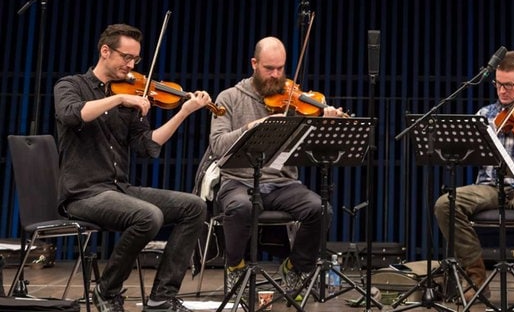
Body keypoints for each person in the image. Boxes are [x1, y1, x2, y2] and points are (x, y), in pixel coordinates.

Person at [54, 24, 212, 312]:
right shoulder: (70, 85)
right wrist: (118, 99)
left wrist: (184, 113)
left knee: (195, 207)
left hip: (118, 189)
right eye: (126, 58)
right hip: (83, 193)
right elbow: (72, 114)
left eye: (136, 60)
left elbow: (146, 145)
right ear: (105, 51)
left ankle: (161, 297)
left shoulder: (131, 94)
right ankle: (106, 290)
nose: (130, 66)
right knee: (148, 216)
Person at [196, 36, 345, 293]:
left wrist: (326, 124)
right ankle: (235, 266)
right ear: (254, 64)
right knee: (240, 207)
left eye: (280, 68)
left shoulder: (294, 101)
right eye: (269, 69)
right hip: (238, 180)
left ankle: (295, 267)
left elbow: (309, 152)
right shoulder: (229, 98)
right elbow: (218, 145)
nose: (276, 75)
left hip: (281, 182)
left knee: (320, 209)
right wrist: (251, 128)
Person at [433, 50, 514, 305]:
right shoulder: (487, 114)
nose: (502, 91)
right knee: (445, 204)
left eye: (509, 85)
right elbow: (476, 159)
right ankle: (475, 276)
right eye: (498, 84)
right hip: (491, 186)